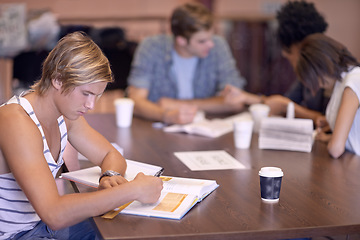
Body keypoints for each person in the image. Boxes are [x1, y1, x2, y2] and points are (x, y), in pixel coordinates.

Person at [0, 32, 163, 239]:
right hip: (17, 234)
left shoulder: (65, 116)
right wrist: (132, 190)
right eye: (86, 94)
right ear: (58, 80)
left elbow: (109, 155)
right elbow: (54, 213)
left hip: (42, 227)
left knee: (134, 228)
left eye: (97, 95)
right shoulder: (14, 120)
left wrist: (110, 176)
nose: (91, 105)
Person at [126, 2, 247, 125]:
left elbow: (235, 101)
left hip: (204, 128)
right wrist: (167, 115)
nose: (211, 44)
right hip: (156, 131)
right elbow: (135, 101)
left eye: (211, 37)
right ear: (181, 40)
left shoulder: (218, 46)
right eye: (202, 41)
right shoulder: (151, 47)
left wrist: (176, 105)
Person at [221, 0, 329, 125]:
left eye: (289, 55)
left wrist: (287, 107)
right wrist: (245, 97)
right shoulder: (305, 76)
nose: (285, 54)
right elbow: (280, 103)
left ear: (298, 47)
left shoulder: (329, 74)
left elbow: (330, 120)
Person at [294, 33, 360, 159]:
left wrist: (332, 141)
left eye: (316, 80)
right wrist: (329, 132)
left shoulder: (352, 82)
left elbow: (336, 149)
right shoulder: (343, 81)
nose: (319, 85)